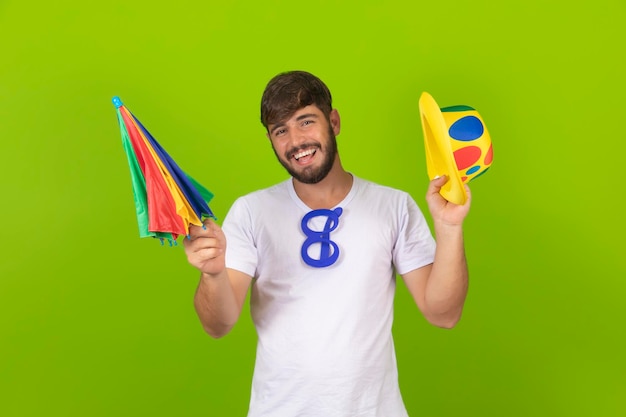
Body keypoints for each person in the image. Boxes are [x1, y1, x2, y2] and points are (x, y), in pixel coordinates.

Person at [183, 70, 471, 417]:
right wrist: (212, 275)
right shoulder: (251, 212)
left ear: (333, 121)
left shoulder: (393, 206)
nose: (296, 141)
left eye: (306, 121)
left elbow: (443, 314)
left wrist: (449, 227)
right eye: (280, 130)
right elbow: (218, 325)